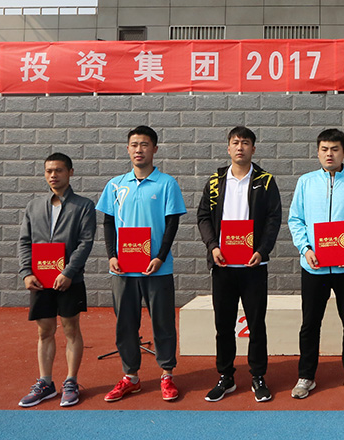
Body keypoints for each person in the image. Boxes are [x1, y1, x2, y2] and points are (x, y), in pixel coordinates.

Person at [96, 125, 187, 402]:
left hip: (157, 269)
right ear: (127, 149)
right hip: (123, 269)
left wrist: (160, 257)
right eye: (134, 145)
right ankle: (131, 377)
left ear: (154, 149)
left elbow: (172, 223)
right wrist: (112, 255)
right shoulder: (115, 185)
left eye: (145, 144)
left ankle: (167, 374)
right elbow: (108, 222)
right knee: (125, 324)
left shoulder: (167, 183)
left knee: (163, 322)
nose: (139, 149)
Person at [287, 128, 344, 399]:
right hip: (313, 266)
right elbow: (295, 219)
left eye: (335, 149)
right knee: (310, 323)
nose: (330, 154)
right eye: (325, 149)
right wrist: (305, 249)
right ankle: (306, 376)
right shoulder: (305, 182)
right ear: (318, 152)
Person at [197, 126, 282, 403]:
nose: (240, 147)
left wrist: (262, 250)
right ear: (228, 147)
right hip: (223, 267)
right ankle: (226, 376)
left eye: (245, 143)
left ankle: (258, 376)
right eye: (235, 142)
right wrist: (213, 246)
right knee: (223, 325)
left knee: (256, 324)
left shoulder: (265, 181)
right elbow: (203, 216)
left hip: (253, 266)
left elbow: (274, 219)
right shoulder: (215, 181)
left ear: (253, 149)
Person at [17, 152, 96, 407]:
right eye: (49, 171)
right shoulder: (33, 206)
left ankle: (71, 381)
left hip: (70, 280)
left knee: (71, 329)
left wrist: (68, 272)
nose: (53, 175)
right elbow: (24, 242)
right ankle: (46, 383)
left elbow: (85, 243)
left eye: (59, 170)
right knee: (44, 331)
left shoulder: (84, 206)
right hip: (40, 280)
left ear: (70, 172)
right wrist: (26, 273)